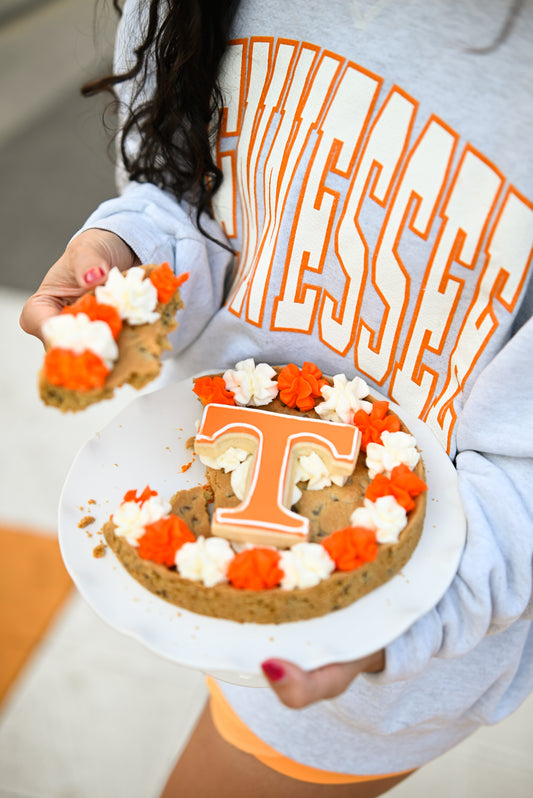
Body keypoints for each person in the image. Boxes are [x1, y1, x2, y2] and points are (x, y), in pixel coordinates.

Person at [20, 0, 533, 795]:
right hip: (201, 493)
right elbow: (181, 192)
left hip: (388, 636)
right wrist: (130, 261)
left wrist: (376, 619)